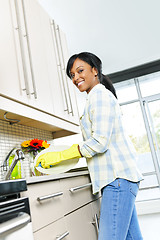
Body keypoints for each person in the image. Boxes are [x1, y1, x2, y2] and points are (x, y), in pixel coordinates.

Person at [36, 52, 143, 240]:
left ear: (94, 70)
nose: (76, 78)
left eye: (80, 71)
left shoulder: (99, 96)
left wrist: (66, 154)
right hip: (121, 179)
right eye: (72, 75)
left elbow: (100, 142)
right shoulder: (97, 97)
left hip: (117, 179)